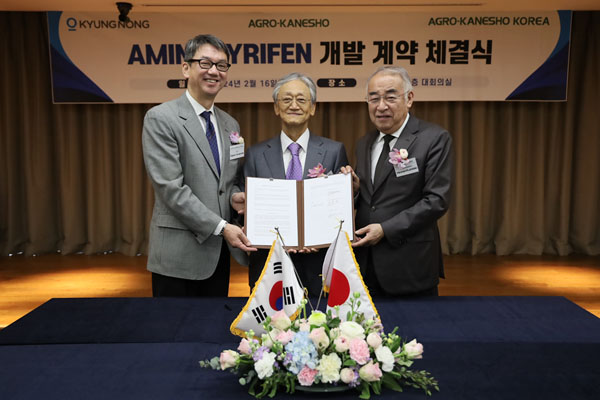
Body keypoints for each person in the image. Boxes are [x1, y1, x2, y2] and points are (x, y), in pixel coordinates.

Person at [142, 34, 256, 297]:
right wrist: (222, 227)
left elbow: (224, 183)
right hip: (177, 257)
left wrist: (235, 197)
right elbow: (171, 189)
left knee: (210, 331)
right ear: (186, 68)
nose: (214, 71)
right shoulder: (161, 118)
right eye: (205, 63)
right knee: (174, 334)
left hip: (217, 255)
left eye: (222, 65)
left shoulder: (230, 125)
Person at [236, 72, 349, 296]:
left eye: (301, 99)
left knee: (322, 327)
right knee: (271, 329)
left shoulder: (334, 151)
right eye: (286, 100)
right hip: (270, 265)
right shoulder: (256, 154)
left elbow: (342, 206)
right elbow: (243, 205)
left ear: (313, 107)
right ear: (277, 107)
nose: (294, 105)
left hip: (319, 262)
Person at [343, 66, 452, 297]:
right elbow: (371, 199)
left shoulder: (434, 139)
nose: (381, 106)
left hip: (410, 264)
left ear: (409, 98)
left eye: (390, 97)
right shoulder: (365, 142)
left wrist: (385, 229)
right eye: (373, 98)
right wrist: (353, 190)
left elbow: (437, 200)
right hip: (365, 265)